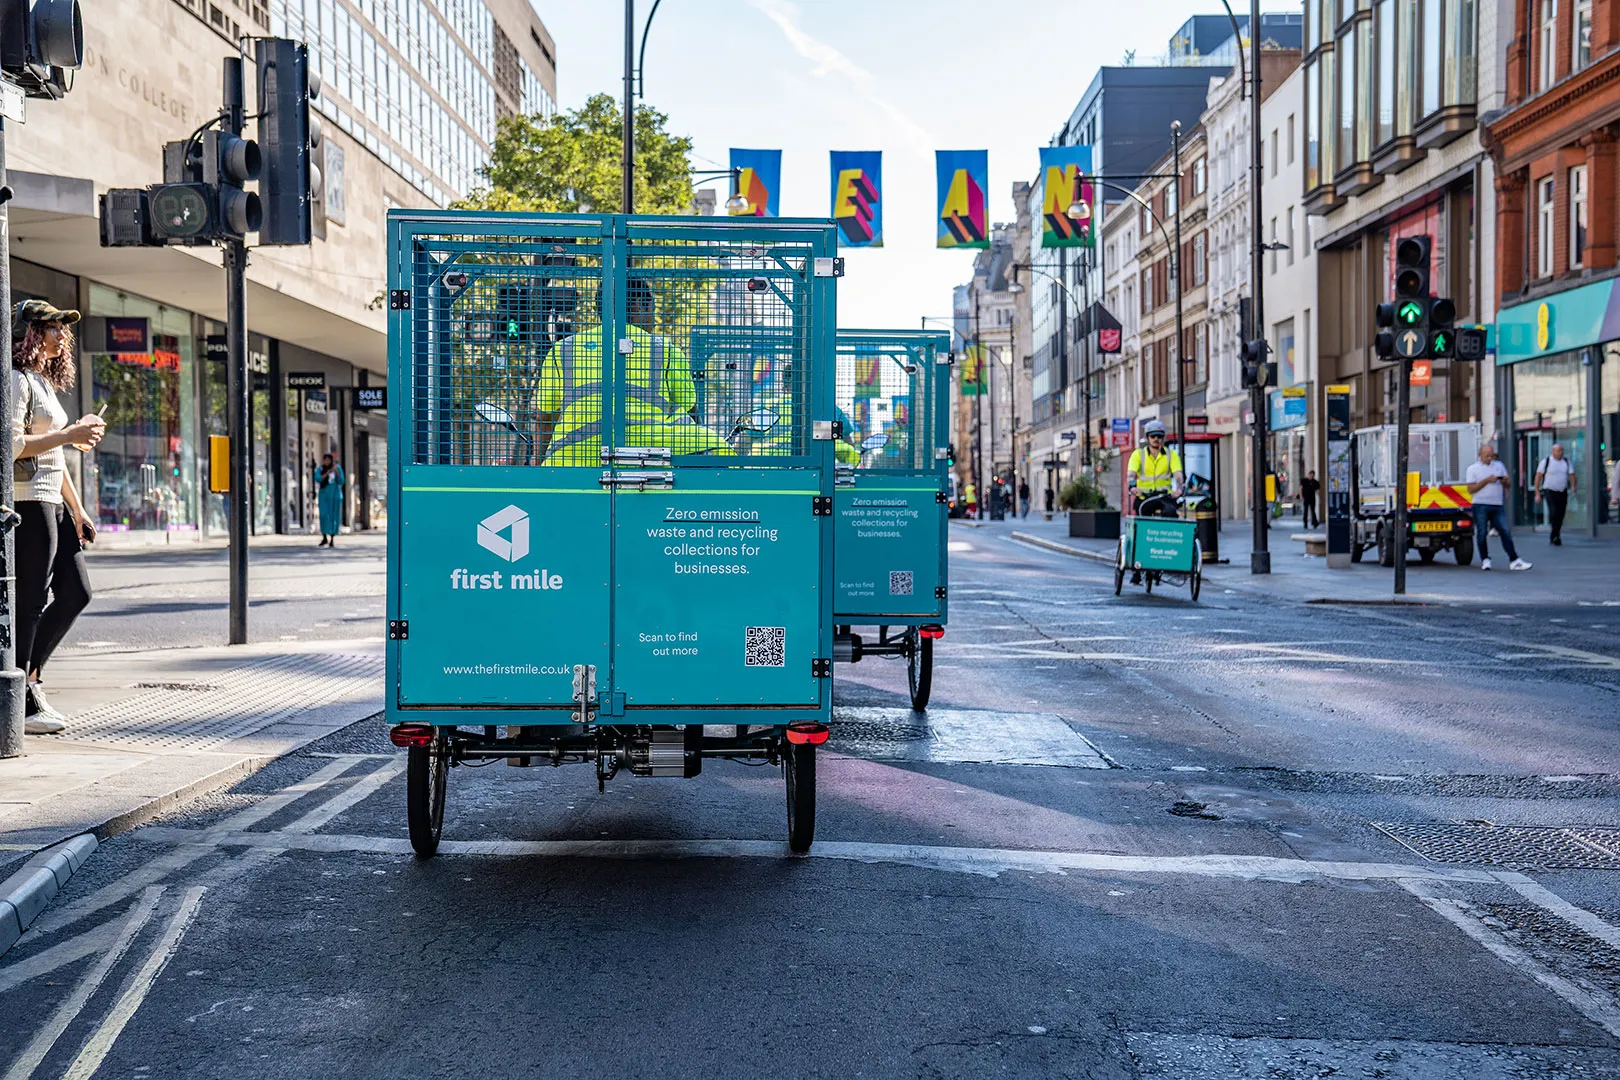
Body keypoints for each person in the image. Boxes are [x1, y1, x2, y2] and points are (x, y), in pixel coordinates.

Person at [10, 300, 105, 735]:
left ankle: (29, 676)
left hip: (53, 501)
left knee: (77, 592)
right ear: (30, 333)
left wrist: (78, 508)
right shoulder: (14, 381)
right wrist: (69, 434)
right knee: (30, 602)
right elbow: (11, 447)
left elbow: (55, 453)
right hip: (27, 501)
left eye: (62, 329)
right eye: (52, 328)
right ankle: (20, 702)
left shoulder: (43, 382)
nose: (61, 336)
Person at [537, 278, 730, 465]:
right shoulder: (665, 349)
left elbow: (545, 415)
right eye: (652, 311)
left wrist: (538, 464)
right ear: (640, 305)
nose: (653, 322)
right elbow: (689, 408)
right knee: (720, 447)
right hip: (647, 455)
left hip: (573, 459)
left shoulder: (563, 349)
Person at [1125, 419, 1184, 583]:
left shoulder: (1171, 455)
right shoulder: (1139, 454)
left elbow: (1178, 474)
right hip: (1144, 497)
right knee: (1142, 528)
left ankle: (1166, 557)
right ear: (1148, 438)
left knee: (1171, 516)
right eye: (1153, 436)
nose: (1156, 439)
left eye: (1159, 436)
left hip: (1164, 496)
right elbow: (1131, 474)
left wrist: (1179, 488)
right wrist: (1132, 486)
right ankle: (1137, 569)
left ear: (1163, 438)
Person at [1465, 443, 1531, 571]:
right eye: (1487, 456)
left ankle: (1514, 560)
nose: (1490, 458)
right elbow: (1471, 489)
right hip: (1480, 504)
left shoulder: (1499, 466)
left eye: (1492, 456)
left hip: (1497, 504)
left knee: (1505, 531)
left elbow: (1508, 483)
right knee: (1482, 533)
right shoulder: (1472, 469)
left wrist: (1505, 481)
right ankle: (1485, 559)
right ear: (1480, 456)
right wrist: (1486, 481)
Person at [1534, 443, 1575, 545]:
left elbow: (1572, 475)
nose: (1560, 453)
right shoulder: (1546, 462)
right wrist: (1537, 492)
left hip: (1562, 491)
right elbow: (1538, 476)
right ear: (1553, 451)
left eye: (1562, 450)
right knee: (1553, 512)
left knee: (1560, 514)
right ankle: (1555, 535)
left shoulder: (1566, 462)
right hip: (1550, 490)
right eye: (1558, 450)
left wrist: (1573, 486)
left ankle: (1555, 534)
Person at [314, 453, 345, 547]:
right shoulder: (320, 469)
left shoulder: (337, 468)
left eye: (328, 460)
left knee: (333, 517)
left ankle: (332, 538)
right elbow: (317, 478)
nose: (327, 462)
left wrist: (336, 472)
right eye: (325, 460)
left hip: (334, 496)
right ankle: (324, 536)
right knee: (323, 515)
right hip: (324, 496)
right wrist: (326, 473)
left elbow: (341, 481)